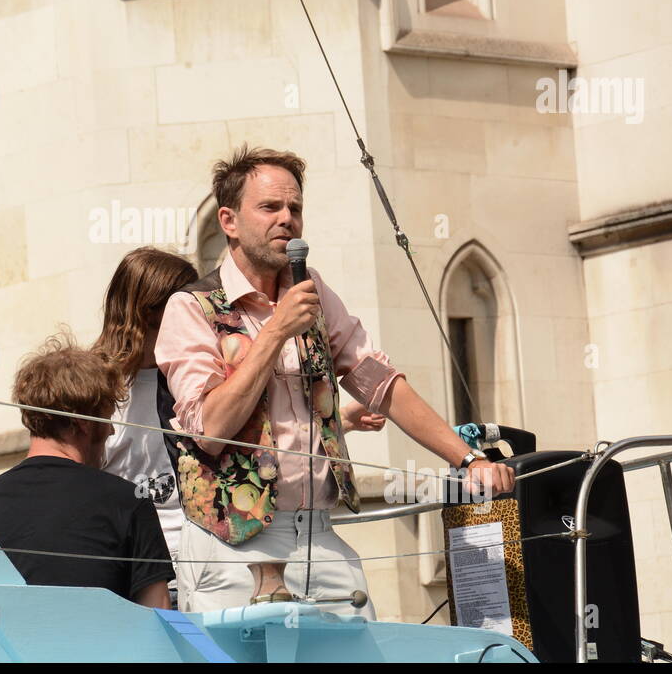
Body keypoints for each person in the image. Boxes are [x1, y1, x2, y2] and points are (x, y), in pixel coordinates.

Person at [155, 145, 515, 613]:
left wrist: (468, 460)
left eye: (295, 209)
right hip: (233, 545)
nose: (287, 219)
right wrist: (277, 330)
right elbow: (209, 429)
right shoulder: (190, 307)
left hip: (319, 533)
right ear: (228, 221)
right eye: (270, 207)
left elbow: (379, 383)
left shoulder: (314, 291)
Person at [0, 334, 174, 608]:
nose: (111, 430)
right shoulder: (128, 501)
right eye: (107, 417)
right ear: (83, 423)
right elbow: (158, 615)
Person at [92, 248, 198, 599]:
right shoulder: (94, 389)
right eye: (186, 303)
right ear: (151, 311)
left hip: (208, 565)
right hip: (131, 574)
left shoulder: (202, 376)